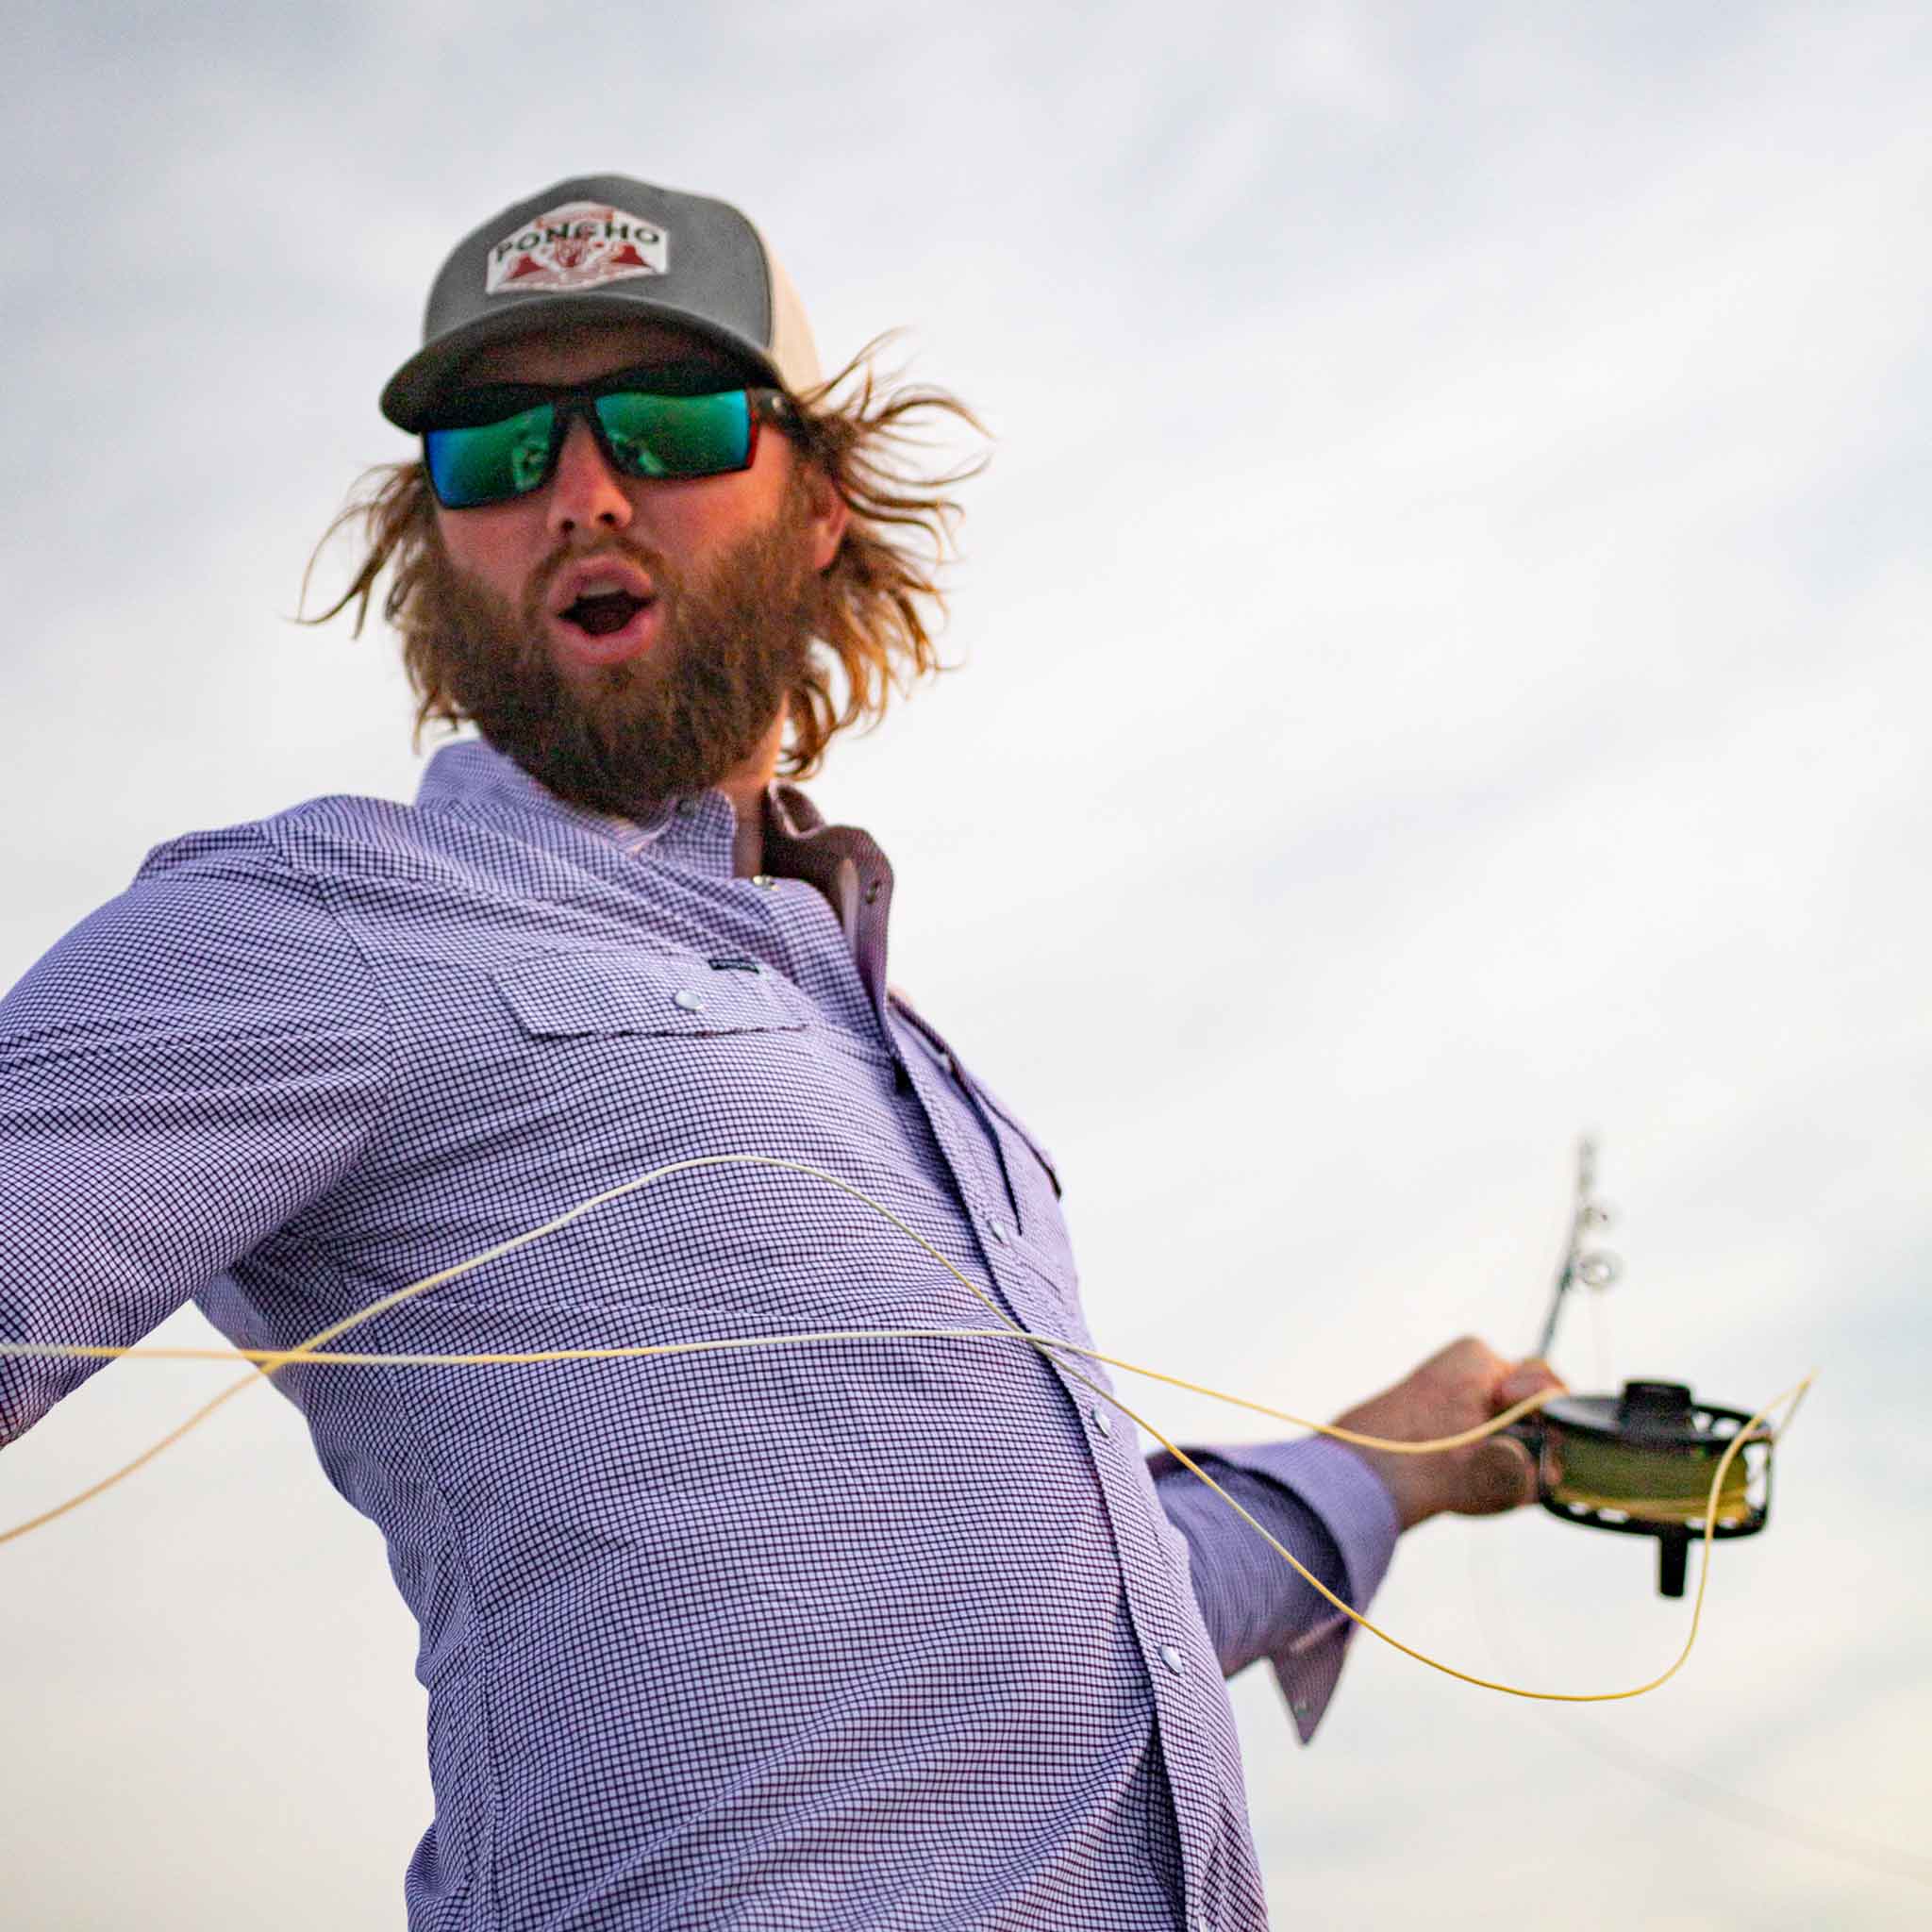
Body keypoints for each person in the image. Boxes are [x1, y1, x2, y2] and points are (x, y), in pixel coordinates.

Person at [0, 174, 1563, 1931]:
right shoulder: (318, 924)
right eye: (496, 453)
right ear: (436, 538)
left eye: (669, 424)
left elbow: (1055, 1639)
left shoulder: (912, 1063)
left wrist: (1390, 1464)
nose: (584, 489)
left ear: (819, 503)